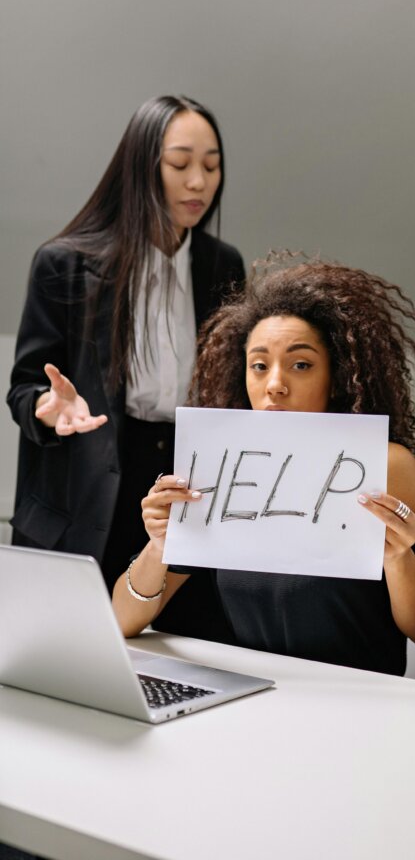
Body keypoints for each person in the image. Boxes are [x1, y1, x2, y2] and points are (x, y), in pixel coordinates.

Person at [113, 255, 415, 675]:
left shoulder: (386, 465)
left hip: (362, 705)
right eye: (259, 366)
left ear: (337, 376)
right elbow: (124, 620)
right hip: (258, 699)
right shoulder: (223, 464)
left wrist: (400, 558)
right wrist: (160, 545)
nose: (275, 384)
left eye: (301, 365)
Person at [7, 96, 245, 639]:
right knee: (75, 664)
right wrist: (47, 409)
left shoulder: (221, 264)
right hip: (88, 487)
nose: (198, 183)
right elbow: (23, 387)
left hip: (180, 487)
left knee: (183, 663)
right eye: (180, 164)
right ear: (142, 166)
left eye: (211, 166)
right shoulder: (65, 263)